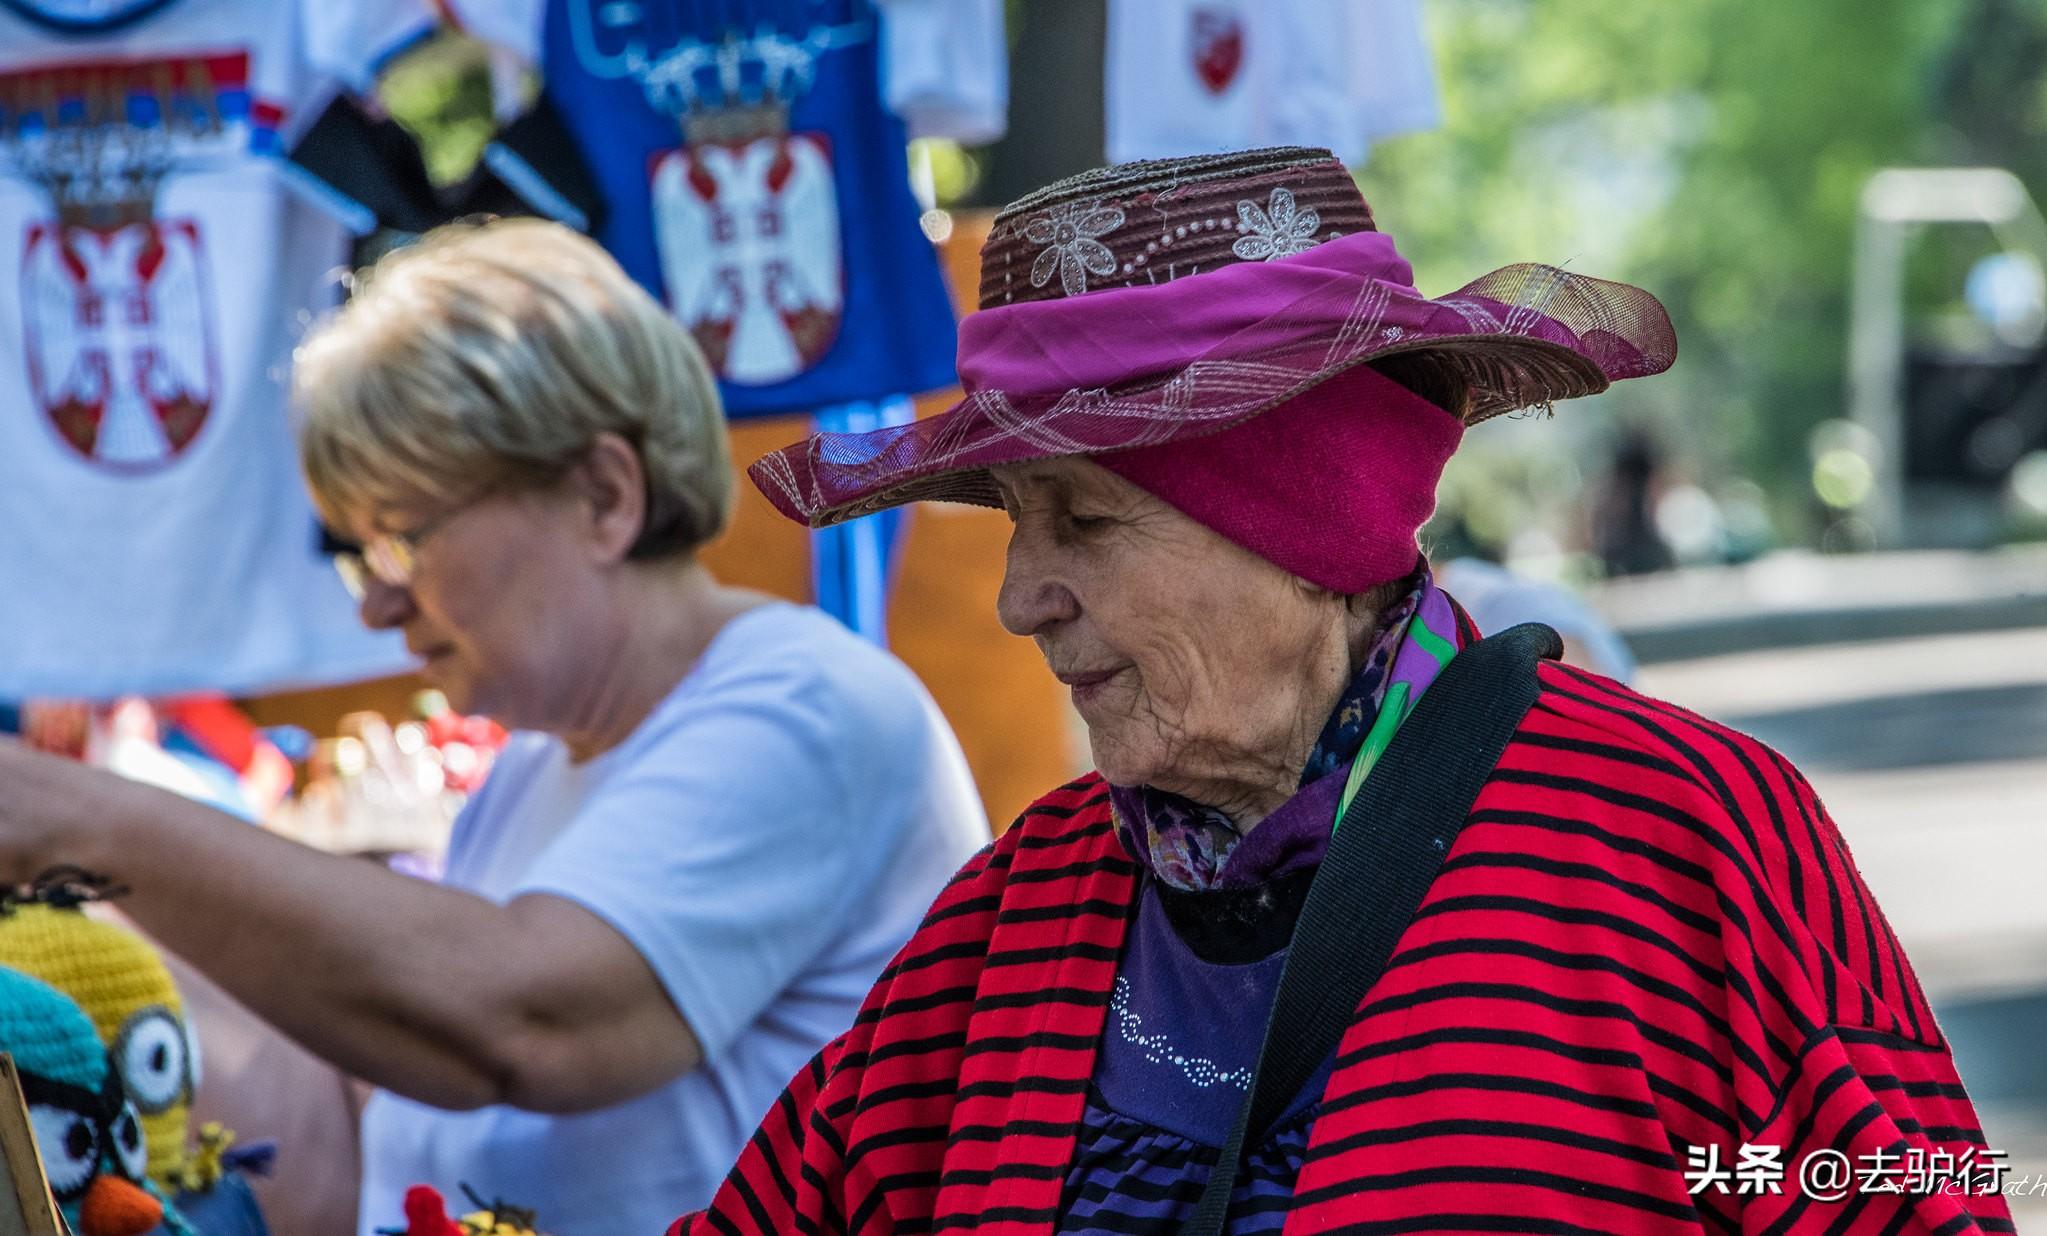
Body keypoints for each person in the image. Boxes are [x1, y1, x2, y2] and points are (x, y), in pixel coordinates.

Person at [676, 149, 2013, 1232]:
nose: (1019, 596)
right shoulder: (1009, 925)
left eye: (1079, 522)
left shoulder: (1673, 839)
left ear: (1299, 529)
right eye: (1016, 525)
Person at [0, 220, 989, 1236]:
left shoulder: (808, 708)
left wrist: (77, 818)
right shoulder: (542, 765)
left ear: (604, 495)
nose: (376, 610)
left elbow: (519, 1024)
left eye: (402, 540)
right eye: (358, 556)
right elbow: (397, 1130)